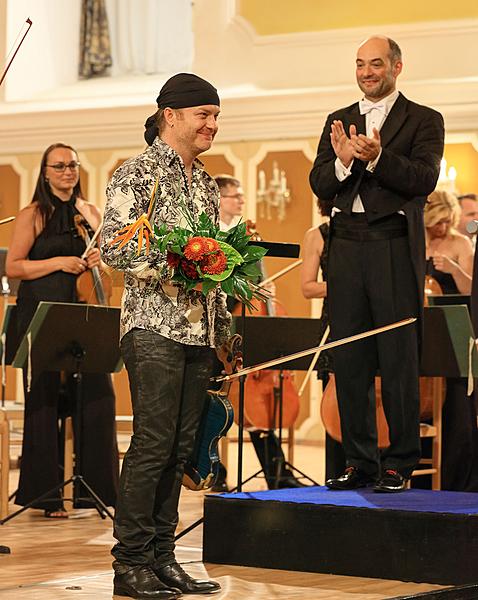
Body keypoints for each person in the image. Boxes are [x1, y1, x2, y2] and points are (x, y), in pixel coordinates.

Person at [101, 73, 230, 600]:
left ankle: (162, 556)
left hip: (198, 332)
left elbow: (216, 262)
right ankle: (129, 562)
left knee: (179, 449)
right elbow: (114, 248)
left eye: (216, 117)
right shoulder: (136, 173)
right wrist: (179, 265)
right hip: (152, 325)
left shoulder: (203, 181)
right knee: (152, 444)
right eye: (204, 115)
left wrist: (223, 332)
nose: (212, 126)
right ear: (170, 116)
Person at [309, 35, 444, 493]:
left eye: (376, 64)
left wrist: (380, 158)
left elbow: (424, 178)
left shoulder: (425, 120)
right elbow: (319, 184)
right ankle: (360, 462)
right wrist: (345, 164)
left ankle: (400, 462)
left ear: (397, 67)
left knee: (397, 358)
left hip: (390, 244)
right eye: (360, 64)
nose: (367, 72)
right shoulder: (338, 120)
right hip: (344, 246)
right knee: (349, 359)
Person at [5, 142, 119, 518]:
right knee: (45, 401)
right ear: (45, 172)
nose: (67, 172)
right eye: (59, 166)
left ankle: (97, 492)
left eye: (72, 165)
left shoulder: (89, 212)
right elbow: (15, 268)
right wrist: (57, 262)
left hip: (82, 314)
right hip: (42, 314)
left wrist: (99, 257)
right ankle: (46, 496)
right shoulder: (33, 213)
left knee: (98, 397)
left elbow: (105, 266)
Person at [213, 174, 306, 490]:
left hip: (250, 324)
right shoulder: (210, 237)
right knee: (211, 404)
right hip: (221, 329)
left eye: (240, 195)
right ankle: (215, 472)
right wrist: (244, 289)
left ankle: (276, 473)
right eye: (234, 195)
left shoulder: (245, 235)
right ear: (218, 199)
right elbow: (214, 286)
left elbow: (255, 282)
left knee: (255, 404)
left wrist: (265, 288)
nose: (240, 200)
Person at [423, 190, 478, 491]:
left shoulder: (461, 243)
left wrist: (454, 269)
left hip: (454, 330)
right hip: (425, 329)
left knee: (457, 399)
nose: (442, 228)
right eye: (436, 223)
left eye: (447, 222)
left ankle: (455, 476)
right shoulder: (419, 242)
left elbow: (473, 290)